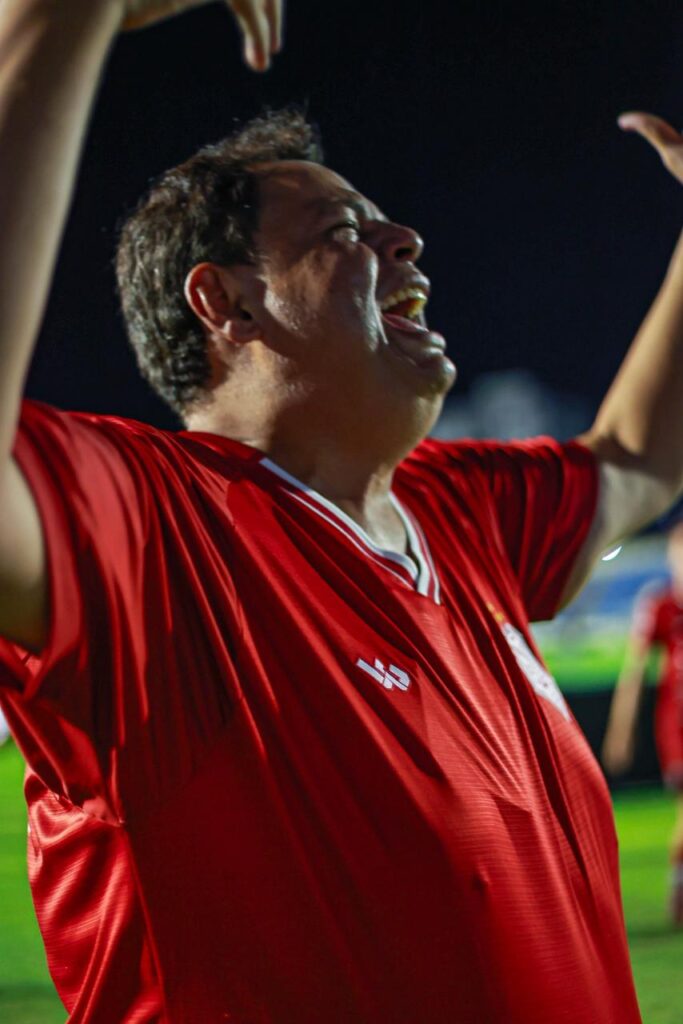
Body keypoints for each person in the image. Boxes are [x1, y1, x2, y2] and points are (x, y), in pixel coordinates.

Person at [1, 1, 683, 1021]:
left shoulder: (453, 514)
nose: (406, 239)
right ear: (226, 303)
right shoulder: (156, 527)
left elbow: (634, 456)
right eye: (345, 231)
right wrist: (55, 23)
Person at [603, 520, 683, 926]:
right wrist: (621, 730)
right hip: (678, 729)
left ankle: (679, 880)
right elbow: (634, 673)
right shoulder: (661, 606)